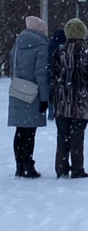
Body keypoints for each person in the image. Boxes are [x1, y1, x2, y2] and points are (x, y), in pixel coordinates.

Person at [51, 18, 88, 179]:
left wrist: (54, 96)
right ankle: (77, 169)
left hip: (62, 101)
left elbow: (53, 76)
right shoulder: (87, 52)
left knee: (62, 137)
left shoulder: (59, 52)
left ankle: (61, 169)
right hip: (81, 101)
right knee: (77, 137)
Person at [8, 16, 50, 178]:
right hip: (34, 93)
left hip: (18, 91)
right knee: (30, 133)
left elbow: (13, 69)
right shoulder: (41, 45)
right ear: (40, 30)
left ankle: (19, 166)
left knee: (20, 131)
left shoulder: (17, 44)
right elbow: (41, 73)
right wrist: (45, 98)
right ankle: (28, 166)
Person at [47, 27, 66, 121]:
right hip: (62, 74)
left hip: (50, 73)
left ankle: (51, 113)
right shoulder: (65, 46)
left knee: (52, 94)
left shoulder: (50, 45)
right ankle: (61, 112)